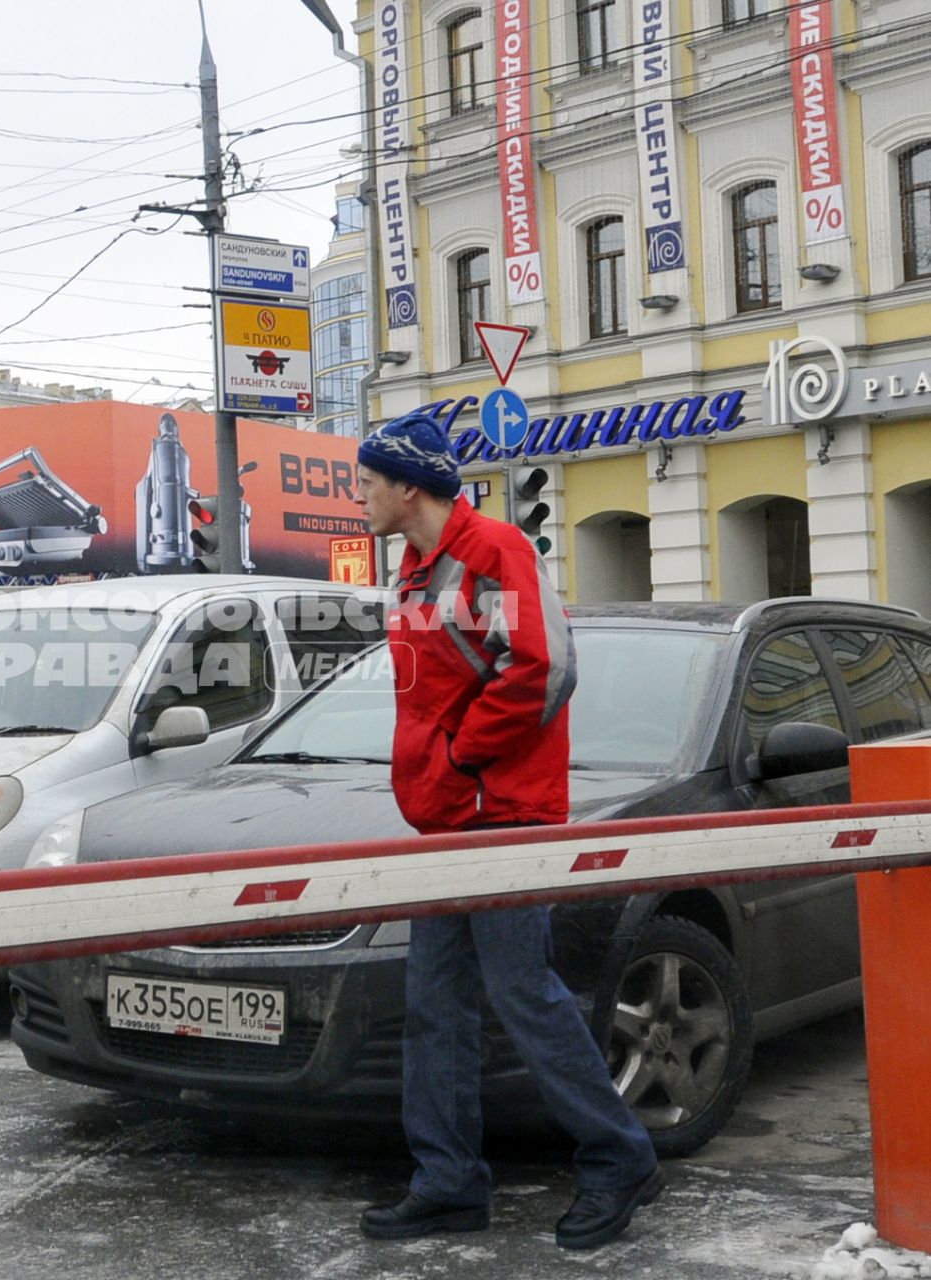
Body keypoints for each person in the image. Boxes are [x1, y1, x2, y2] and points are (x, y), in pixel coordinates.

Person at [352, 414, 662, 1251]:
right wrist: (440, 775)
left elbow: (546, 666)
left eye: (370, 481)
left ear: (407, 486)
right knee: (436, 1009)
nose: (362, 495)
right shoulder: (416, 569)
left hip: (500, 817)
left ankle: (619, 1156)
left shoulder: (493, 550)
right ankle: (449, 1183)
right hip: (450, 818)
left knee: (524, 996)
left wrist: (459, 757)